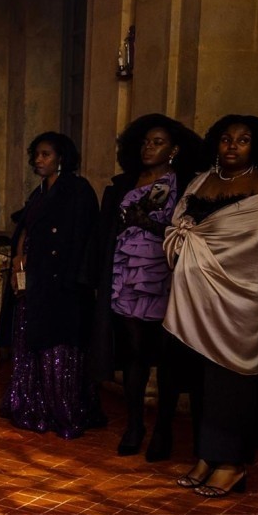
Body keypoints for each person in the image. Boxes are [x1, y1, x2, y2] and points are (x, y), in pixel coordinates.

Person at [165, 115, 258, 498]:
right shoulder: (201, 180)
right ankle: (207, 456)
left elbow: (257, 239)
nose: (233, 145)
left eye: (244, 140)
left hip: (242, 297)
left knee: (231, 379)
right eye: (226, 138)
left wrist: (199, 244)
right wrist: (187, 240)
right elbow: (177, 223)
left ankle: (232, 464)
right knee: (203, 379)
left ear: (257, 146)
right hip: (198, 297)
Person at [90, 115, 204, 460]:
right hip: (127, 274)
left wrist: (150, 225)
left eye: (157, 142)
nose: (148, 148)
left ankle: (163, 429)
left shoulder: (186, 184)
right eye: (144, 142)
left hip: (166, 274)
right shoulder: (125, 183)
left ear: (175, 149)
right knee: (135, 353)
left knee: (168, 355)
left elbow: (190, 232)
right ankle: (135, 424)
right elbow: (108, 229)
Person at [0, 132, 99, 439]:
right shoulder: (39, 192)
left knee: (59, 345)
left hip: (62, 284)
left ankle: (62, 406)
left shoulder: (77, 190)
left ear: (61, 158)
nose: (39, 161)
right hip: (36, 281)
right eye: (36, 155)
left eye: (45, 155)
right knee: (31, 340)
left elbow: (82, 237)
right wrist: (18, 256)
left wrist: (72, 280)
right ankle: (32, 402)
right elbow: (26, 228)